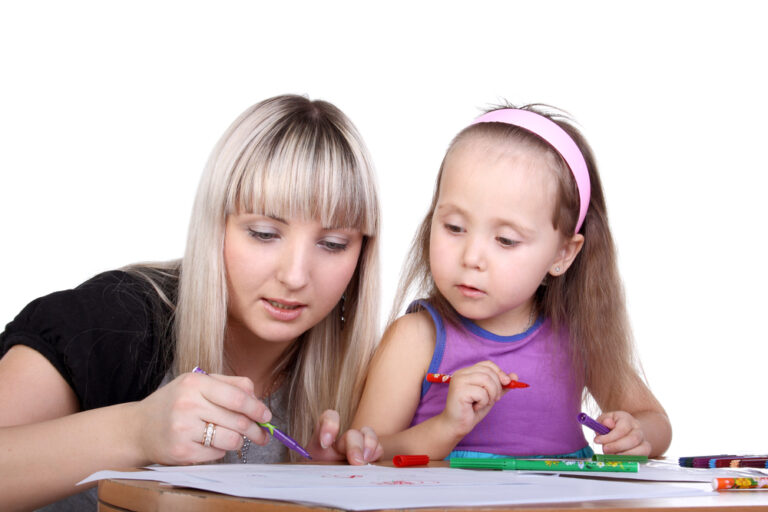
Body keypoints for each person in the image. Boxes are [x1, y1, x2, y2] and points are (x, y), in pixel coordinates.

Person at [0, 94, 384, 511]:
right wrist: (137, 431)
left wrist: (323, 490)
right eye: (263, 233)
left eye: (332, 244)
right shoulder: (113, 320)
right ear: (215, 226)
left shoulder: (369, 372)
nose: (294, 276)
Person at [352, 104, 672, 461]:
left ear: (562, 254)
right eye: (454, 227)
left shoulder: (578, 339)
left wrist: (636, 433)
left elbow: (657, 422)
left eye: (505, 240)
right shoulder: (416, 339)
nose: (471, 258)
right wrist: (446, 427)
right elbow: (364, 453)